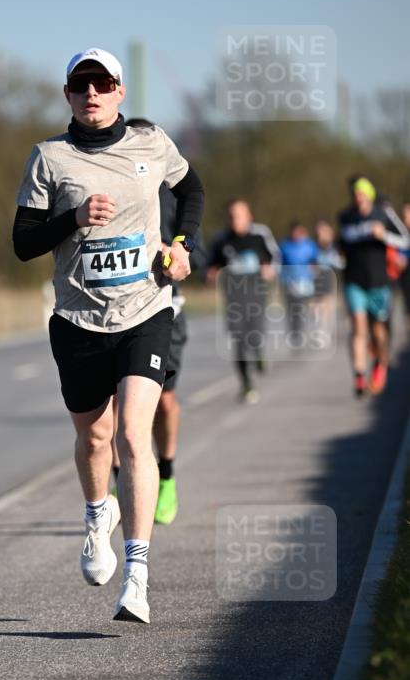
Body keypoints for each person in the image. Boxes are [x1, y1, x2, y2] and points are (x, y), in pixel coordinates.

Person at [13, 48, 204, 623]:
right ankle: (98, 514)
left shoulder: (151, 142)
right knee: (94, 440)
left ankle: (138, 577)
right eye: (80, 86)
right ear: (67, 94)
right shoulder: (49, 158)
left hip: (146, 310)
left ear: (120, 90)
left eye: (102, 84)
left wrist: (182, 246)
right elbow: (23, 243)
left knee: (130, 435)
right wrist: (73, 218)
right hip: (77, 320)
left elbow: (191, 190)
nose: (91, 94)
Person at [109, 116, 204, 526]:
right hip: (114, 310)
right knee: (115, 406)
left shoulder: (174, 190)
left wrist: (177, 249)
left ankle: (165, 474)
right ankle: (119, 481)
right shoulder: (112, 183)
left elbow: (191, 249)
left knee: (164, 401)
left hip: (165, 305)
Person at [337, 176, 409, 396]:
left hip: (379, 281)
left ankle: (379, 364)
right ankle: (359, 375)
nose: (358, 197)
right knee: (358, 326)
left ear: (370, 194)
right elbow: (341, 246)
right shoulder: (346, 217)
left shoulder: (384, 214)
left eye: (362, 193)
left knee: (378, 330)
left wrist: (384, 235)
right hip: (354, 281)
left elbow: (406, 241)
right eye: (355, 193)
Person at [206, 199, 278, 402]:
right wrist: (211, 274)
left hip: (256, 295)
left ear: (249, 217)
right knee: (238, 339)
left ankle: (259, 353)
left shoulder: (260, 235)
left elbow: (274, 258)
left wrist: (269, 269)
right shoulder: (221, 240)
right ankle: (246, 384)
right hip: (234, 299)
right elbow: (210, 265)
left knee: (254, 334)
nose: (235, 220)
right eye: (231, 216)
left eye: (239, 215)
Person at [278, 222, 319, 346]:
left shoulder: (310, 245)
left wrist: (314, 269)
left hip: (306, 281)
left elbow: (315, 260)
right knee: (294, 310)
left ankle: (314, 331)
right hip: (289, 282)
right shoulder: (284, 245)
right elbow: (279, 262)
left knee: (308, 307)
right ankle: (296, 333)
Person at [312, 219, 343, 338]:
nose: (322, 235)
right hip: (316, 278)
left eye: (325, 231)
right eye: (320, 232)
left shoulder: (335, 246)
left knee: (327, 305)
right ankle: (318, 328)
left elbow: (341, 261)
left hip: (330, 277)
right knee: (315, 305)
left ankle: (325, 331)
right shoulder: (313, 247)